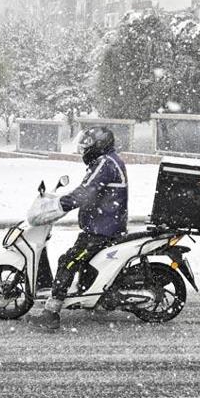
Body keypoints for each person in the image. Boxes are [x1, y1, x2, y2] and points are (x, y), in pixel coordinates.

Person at [27, 126, 128, 330]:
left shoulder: (105, 163)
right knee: (83, 262)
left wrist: (59, 205)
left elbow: (85, 192)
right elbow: (88, 191)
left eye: (88, 144)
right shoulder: (107, 160)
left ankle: (52, 313)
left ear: (99, 145)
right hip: (104, 225)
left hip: (102, 230)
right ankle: (96, 298)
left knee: (68, 261)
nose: (84, 148)